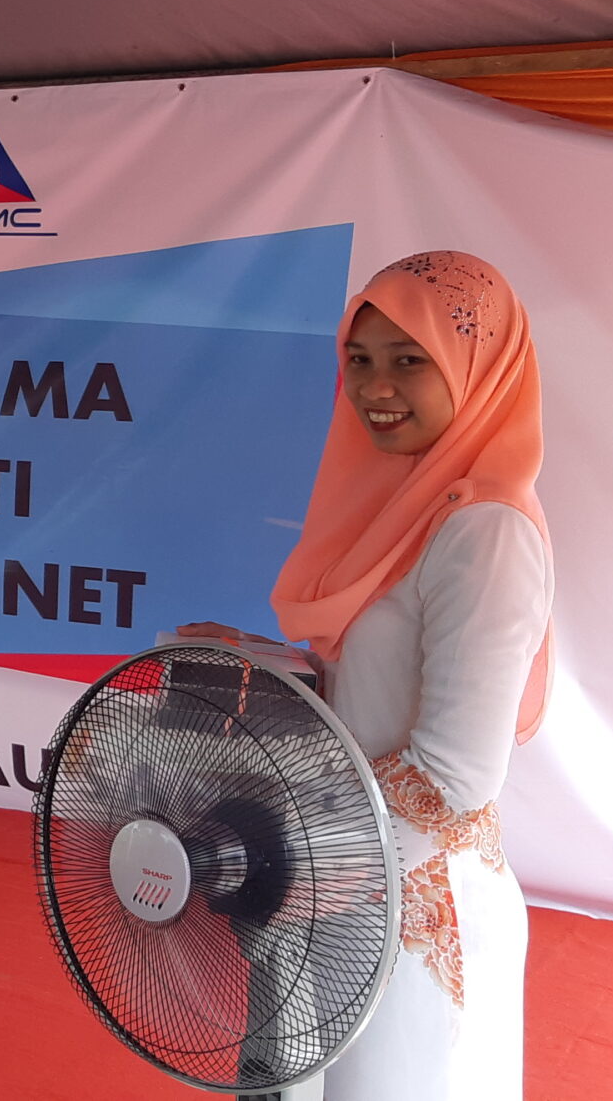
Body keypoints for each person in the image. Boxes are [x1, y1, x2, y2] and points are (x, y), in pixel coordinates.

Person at [179, 250, 552, 1100]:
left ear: (479, 367)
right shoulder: (397, 503)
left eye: (409, 361)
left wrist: (290, 853)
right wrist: (267, 661)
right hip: (333, 878)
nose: (375, 387)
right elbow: (370, 685)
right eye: (358, 360)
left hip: (410, 901)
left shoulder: (485, 533)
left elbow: (455, 776)